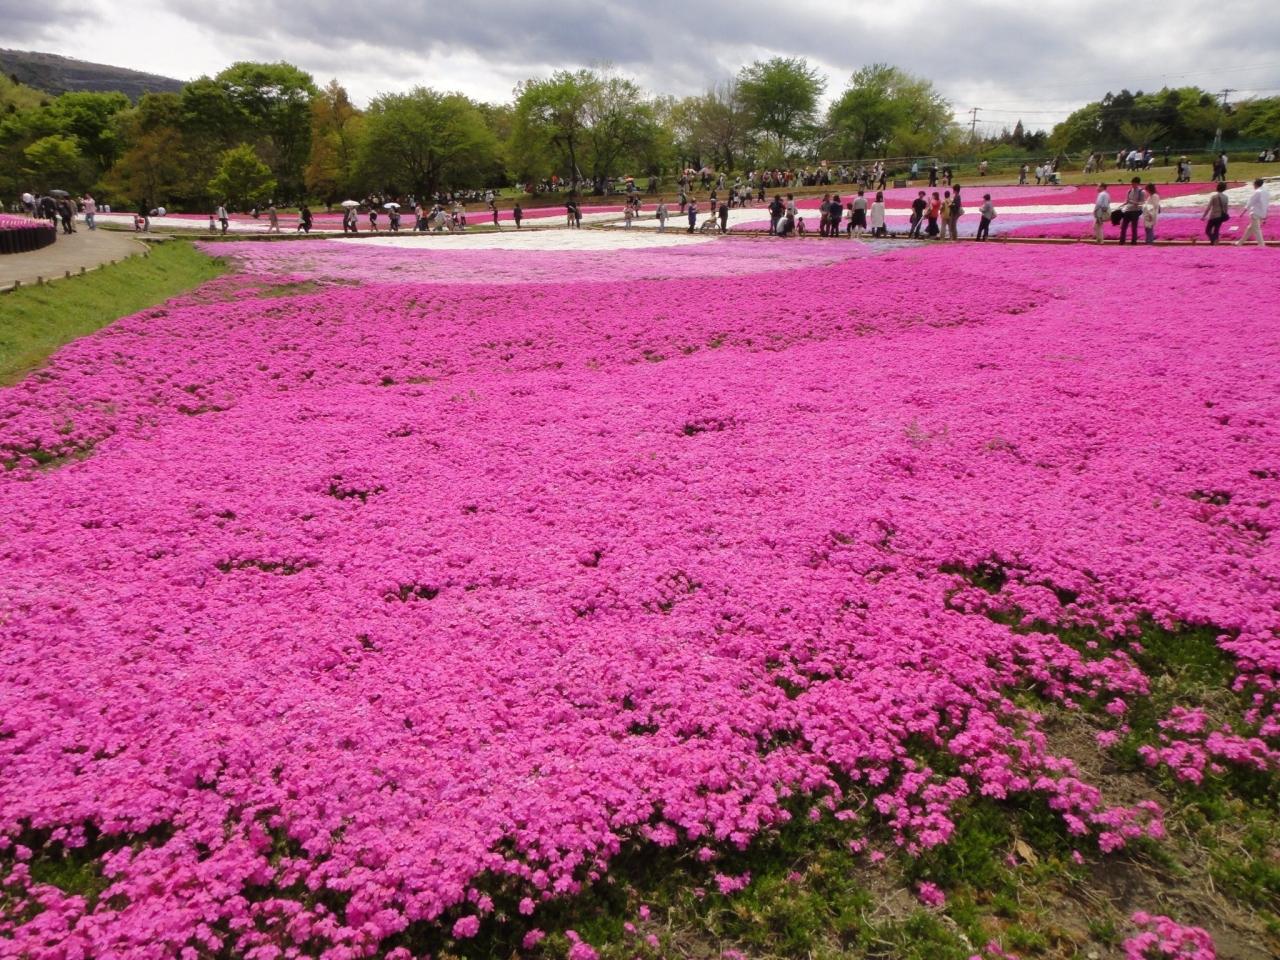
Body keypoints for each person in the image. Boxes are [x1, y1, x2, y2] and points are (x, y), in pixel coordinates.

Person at [1235, 178, 1269, 247]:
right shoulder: (1266, 192)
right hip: (1262, 213)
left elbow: (1250, 202)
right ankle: (1240, 243)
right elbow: (1266, 203)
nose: (1253, 185)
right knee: (1250, 229)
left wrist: (1243, 212)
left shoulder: (1257, 192)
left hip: (1255, 213)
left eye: (1253, 184)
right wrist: (1265, 214)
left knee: (1256, 229)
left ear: (1255, 184)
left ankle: (1261, 245)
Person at [1118, 178, 1144, 245]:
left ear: (1138, 183)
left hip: (1135, 211)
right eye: (1132, 183)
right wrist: (1121, 205)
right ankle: (1122, 241)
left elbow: (1142, 203)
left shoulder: (1141, 192)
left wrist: (1133, 202)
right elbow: (1127, 201)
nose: (1132, 185)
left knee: (1134, 227)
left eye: (1134, 183)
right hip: (1128, 210)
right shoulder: (1129, 191)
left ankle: (1133, 242)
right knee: (1123, 227)